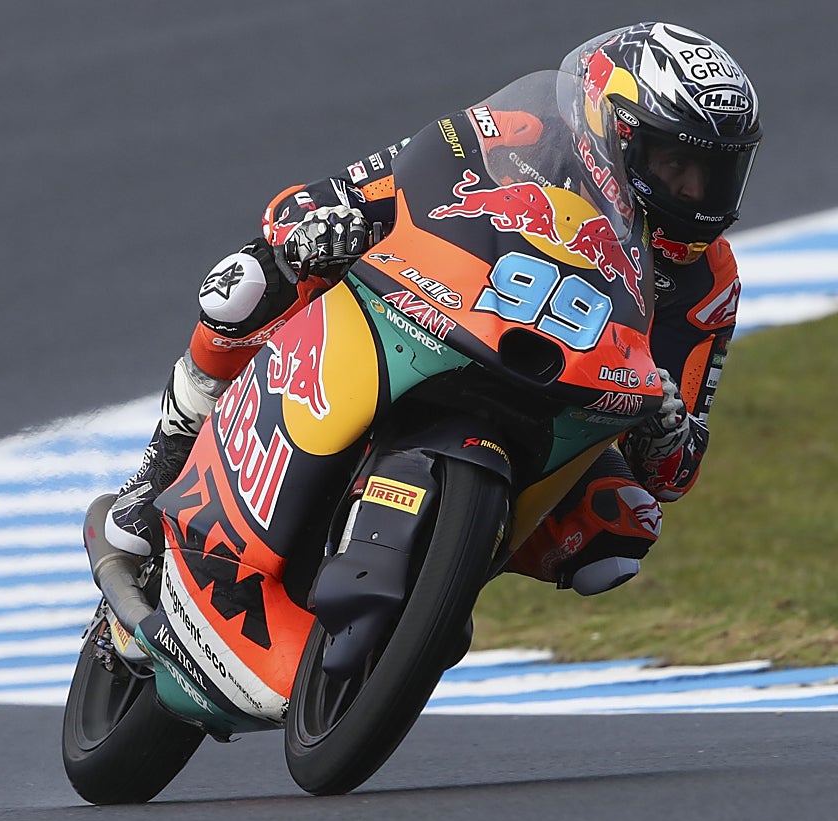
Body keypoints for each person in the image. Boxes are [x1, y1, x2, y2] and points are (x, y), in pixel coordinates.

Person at [104, 21, 763, 596]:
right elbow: (324, 199)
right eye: (675, 164)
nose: (696, 193)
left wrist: (666, 427)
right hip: (433, 317)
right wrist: (330, 224)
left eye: (717, 174)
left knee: (623, 525)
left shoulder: (708, 280)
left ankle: (440, 581)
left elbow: (673, 471)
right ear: (609, 129)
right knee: (248, 282)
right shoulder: (517, 133)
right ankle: (167, 459)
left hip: (555, 403)